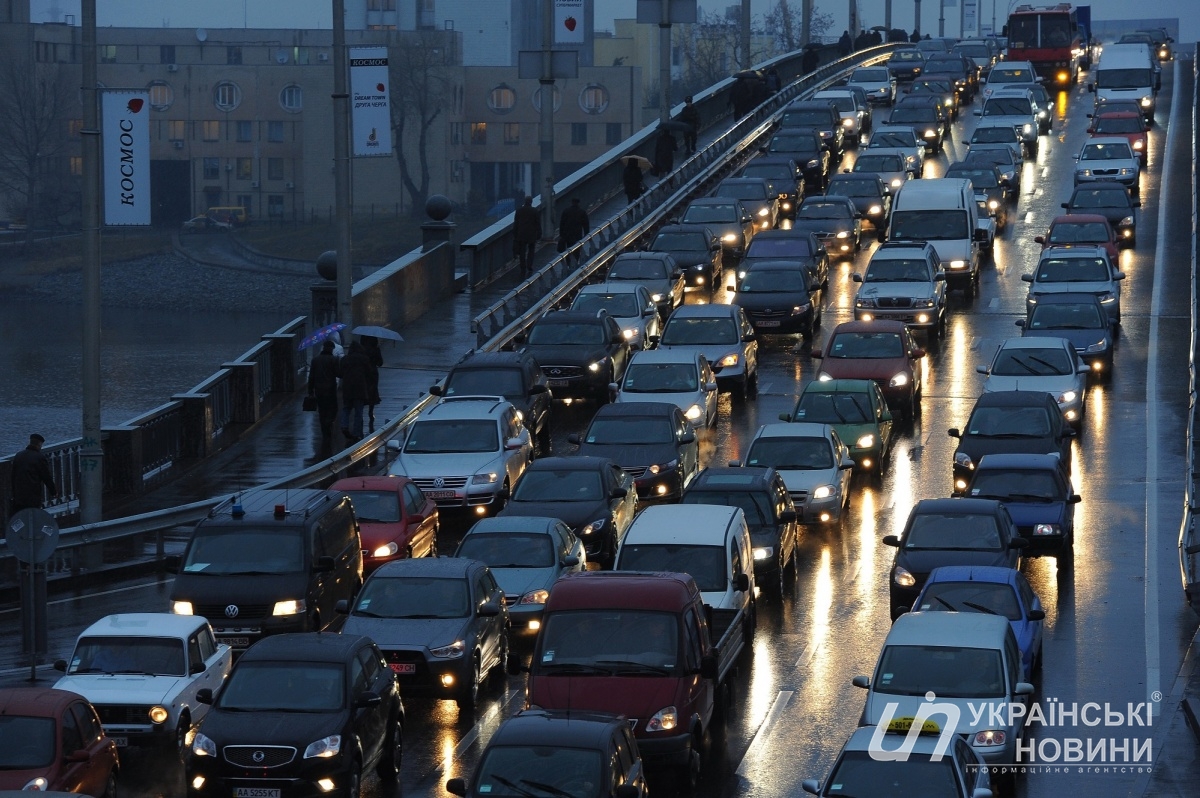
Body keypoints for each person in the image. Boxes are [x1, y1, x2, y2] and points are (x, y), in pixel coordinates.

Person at [10, 433, 57, 514]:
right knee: (33, 517)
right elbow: (46, 477)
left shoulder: (18, 455)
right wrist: (53, 492)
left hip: (18, 496)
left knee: (21, 517)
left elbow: (13, 476)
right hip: (32, 497)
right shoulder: (39, 458)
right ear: (39, 444)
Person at [337, 341, 372, 441]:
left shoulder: (345, 359)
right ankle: (356, 433)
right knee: (358, 411)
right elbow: (369, 372)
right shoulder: (364, 359)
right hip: (360, 388)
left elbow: (340, 373)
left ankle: (344, 426)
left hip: (347, 388)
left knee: (346, 408)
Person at [308, 340, 340, 439]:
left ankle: (324, 432)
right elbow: (338, 373)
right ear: (332, 349)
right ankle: (329, 422)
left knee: (322, 411)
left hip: (319, 389)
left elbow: (311, 377)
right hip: (330, 389)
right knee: (333, 408)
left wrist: (310, 391)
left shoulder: (315, 360)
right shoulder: (334, 360)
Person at [513, 196, 541, 276]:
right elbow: (537, 223)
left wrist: (515, 234)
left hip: (521, 234)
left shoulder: (519, 211)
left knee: (522, 251)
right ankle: (529, 265)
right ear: (531, 202)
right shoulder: (534, 211)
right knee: (531, 250)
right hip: (531, 234)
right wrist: (539, 233)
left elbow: (516, 223)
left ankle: (523, 267)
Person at [361, 335, 384, 424]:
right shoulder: (376, 349)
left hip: (363, 372)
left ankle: (361, 409)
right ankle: (371, 411)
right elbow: (380, 363)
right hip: (373, 372)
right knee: (373, 390)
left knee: (363, 390)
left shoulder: (362, 349)